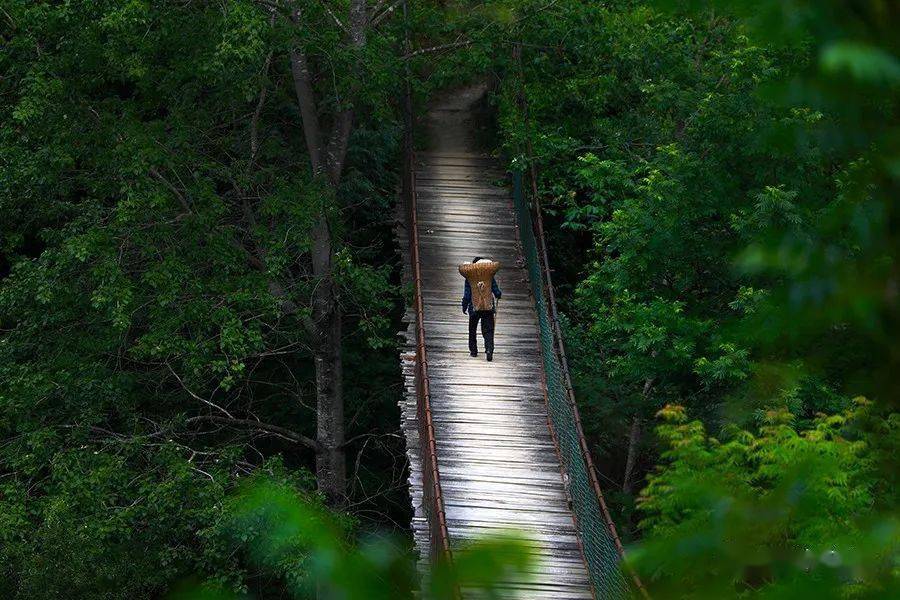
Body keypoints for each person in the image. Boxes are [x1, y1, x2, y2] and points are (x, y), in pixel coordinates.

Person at [459, 256, 501, 361]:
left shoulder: (470, 277)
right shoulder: (489, 276)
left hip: (474, 307)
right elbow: (496, 290)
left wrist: (464, 306)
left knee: (472, 329)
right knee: (488, 330)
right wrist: (498, 294)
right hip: (488, 307)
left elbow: (467, 295)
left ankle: (473, 351)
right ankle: (489, 349)